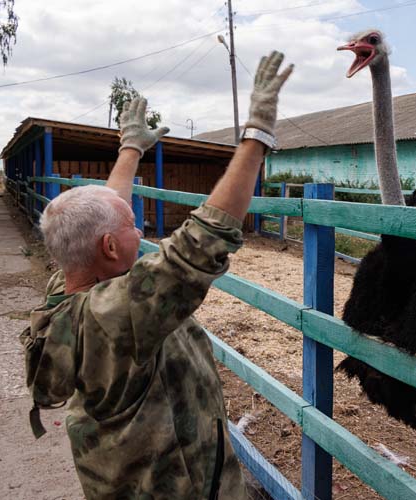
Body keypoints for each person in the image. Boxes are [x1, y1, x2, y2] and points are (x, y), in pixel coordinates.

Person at [20, 51, 293, 499]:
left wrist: (131, 147)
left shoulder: (70, 284)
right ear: (109, 247)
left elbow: (105, 215)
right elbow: (202, 241)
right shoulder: (119, 314)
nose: (141, 228)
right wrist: (258, 132)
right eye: (133, 225)